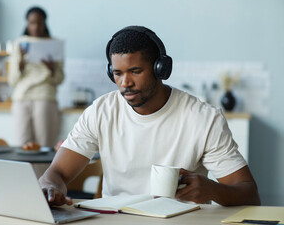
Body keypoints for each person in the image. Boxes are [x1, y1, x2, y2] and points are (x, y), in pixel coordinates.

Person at [39, 26, 260, 206]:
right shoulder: (101, 111)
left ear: (160, 69)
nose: (125, 83)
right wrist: (51, 188)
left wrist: (213, 190)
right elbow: (56, 173)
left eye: (135, 71)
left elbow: (249, 195)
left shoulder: (203, 119)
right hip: (117, 221)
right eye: (118, 73)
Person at [8, 6, 64, 149]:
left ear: (45, 23)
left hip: (45, 97)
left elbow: (60, 79)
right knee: (22, 146)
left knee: (44, 145)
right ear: (27, 23)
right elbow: (12, 81)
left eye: (40, 23)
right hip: (21, 97)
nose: (36, 27)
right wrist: (20, 66)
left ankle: (44, 173)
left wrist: (51, 70)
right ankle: (23, 173)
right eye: (32, 23)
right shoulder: (19, 44)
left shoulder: (54, 44)